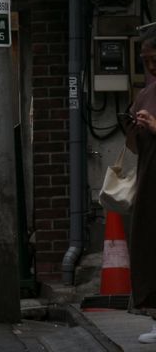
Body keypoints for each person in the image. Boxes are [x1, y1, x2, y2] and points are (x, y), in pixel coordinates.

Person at [124, 31, 156, 344]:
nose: (151, 66)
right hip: (149, 180)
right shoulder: (147, 93)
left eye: (154, 59)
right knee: (149, 247)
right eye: (146, 61)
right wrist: (134, 125)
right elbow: (133, 145)